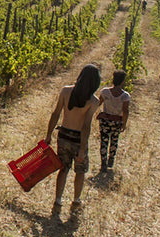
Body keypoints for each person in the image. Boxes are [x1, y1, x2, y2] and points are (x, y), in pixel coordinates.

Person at [45, 64, 101, 216]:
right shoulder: (93, 101)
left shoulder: (65, 91)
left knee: (63, 169)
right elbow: (86, 127)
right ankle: (76, 200)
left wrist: (49, 135)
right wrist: (82, 149)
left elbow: (55, 114)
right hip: (78, 139)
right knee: (80, 171)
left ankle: (58, 200)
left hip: (63, 135)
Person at [96, 70, 130, 171]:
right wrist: (124, 123)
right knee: (114, 140)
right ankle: (111, 158)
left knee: (104, 140)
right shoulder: (125, 96)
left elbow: (98, 103)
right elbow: (125, 111)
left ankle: (103, 162)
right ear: (123, 81)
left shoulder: (105, 91)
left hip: (105, 120)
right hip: (117, 121)